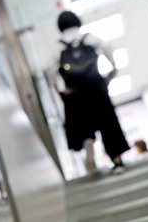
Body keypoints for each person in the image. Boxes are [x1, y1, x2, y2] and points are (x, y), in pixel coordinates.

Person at [50, 11, 130, 175]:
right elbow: (107, 47)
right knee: (107, 122)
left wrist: (58, 88)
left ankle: (88, 141)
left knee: (82, 123)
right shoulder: (88, 37)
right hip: (96, 86)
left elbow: (48, 69)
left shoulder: (58, 45)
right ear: (77, 21)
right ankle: (117, 162)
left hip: (75, 91)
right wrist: (113, 67)